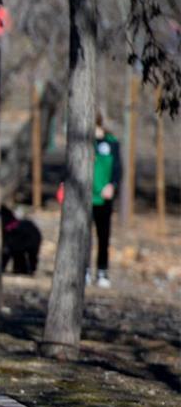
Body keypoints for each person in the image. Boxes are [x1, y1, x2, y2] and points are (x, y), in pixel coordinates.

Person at [91, 113, 121, 288]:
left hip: (104, 198)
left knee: (103, 236)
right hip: (85, 197)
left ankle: (102, 271)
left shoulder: (111, 143)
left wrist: (112, 185)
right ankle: (85, 270)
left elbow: (117, 168)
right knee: (82, 238)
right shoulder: (83, 144)